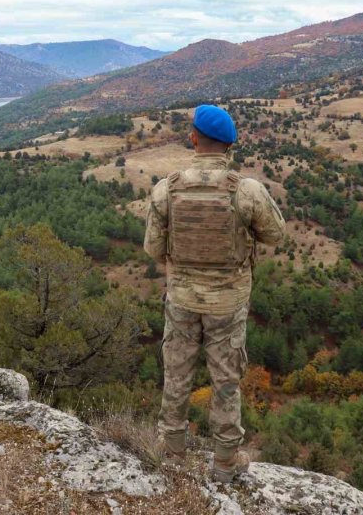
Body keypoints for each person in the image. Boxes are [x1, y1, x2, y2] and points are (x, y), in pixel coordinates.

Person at [143, 104, 285, 482]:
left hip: (182, 300)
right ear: (229, 147)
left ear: (193, 138)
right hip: (228, 303)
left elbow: (154, 250)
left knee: (176, 371)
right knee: (225, 381)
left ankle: (172, 452)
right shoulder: (247, 190)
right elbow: (275, 235)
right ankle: (224, 462)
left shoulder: (166, 189)